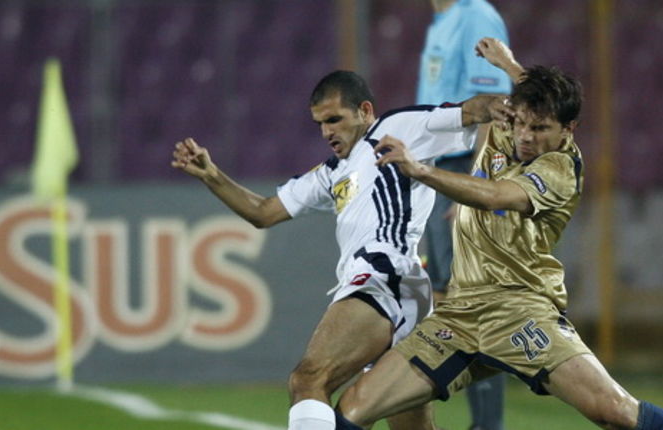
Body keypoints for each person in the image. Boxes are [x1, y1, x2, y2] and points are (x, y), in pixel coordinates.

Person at [332, 38, 663, 430]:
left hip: (520, 311)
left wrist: (420, 171)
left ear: (569, 129)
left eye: (540, 128)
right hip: (460, 312)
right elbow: (531, 95)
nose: (525, 136)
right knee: (353, 409)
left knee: (615, 411)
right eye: (520, 123)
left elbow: (497, 196)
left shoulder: (559, 168)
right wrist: (508, 63)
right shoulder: (515, 119)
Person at [171, 70, 502, 430]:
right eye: (320, 124)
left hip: (383, 275)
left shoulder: (398, 128)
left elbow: (470, 111)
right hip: (402, 289)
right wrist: (212, 175)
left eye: (334, 120)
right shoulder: (332, 172)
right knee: (397, 423)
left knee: (309, 379)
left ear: (364, 110)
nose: (327, 132)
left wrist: (505, 106)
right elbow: (263, 212)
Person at [417, 2, 512, 428]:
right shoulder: (442, 20)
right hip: (439, 171)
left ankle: (487, 425)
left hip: (460, 170)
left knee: (469, 302)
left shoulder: (475, 15)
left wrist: (473, 188)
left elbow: (495, 105)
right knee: (447, 298)